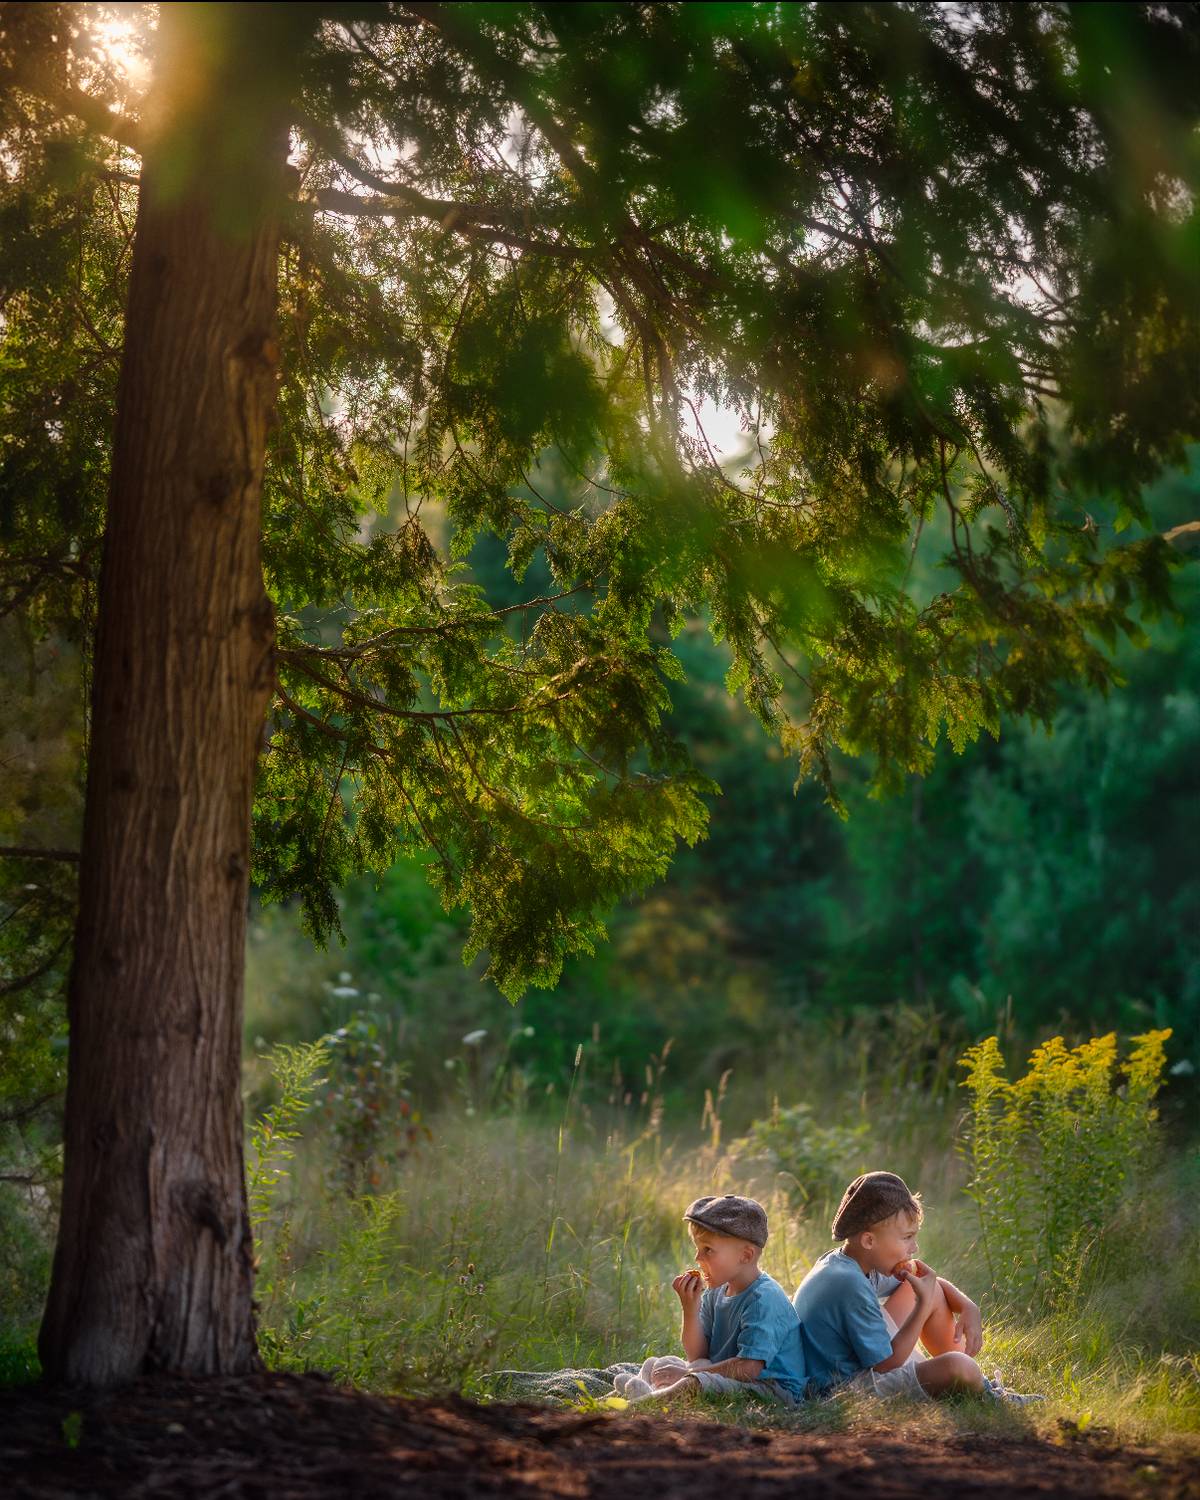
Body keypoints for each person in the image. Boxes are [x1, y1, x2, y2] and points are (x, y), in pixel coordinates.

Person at [791, 1170, 1041, 1405]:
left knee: (925, 1289)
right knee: (959, 1367)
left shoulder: (849, 1261)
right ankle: (979, 1389)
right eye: (907, 1237)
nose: (914, 1248)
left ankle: (980, 1385)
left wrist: (968, 1306)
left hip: (857, 1366)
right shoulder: (849, 1284)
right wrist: (922, 1307)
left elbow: (926, 1282)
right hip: (841, 1389)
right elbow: (886, 1364)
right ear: (869, 1240)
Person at [613, 1193, 808, 1407]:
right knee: (661, 1364)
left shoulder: (764, 1299)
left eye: (708, 1250)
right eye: (697, 1248)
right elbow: (697, 1355)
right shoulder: (717, 1289)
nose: (697, 1258)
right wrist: (690, 1309)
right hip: (730, 1376)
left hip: (771, 1390)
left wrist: (688, 1373)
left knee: (694, 1381)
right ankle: (650, 1390)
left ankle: (641, 1404)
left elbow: (749, 1368)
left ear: (745, 1255)